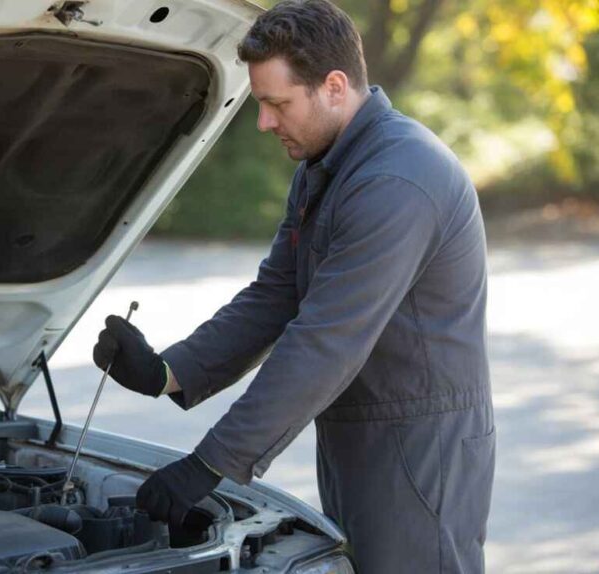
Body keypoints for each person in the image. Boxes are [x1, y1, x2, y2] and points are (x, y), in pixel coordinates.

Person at [92, 1, 494, 572]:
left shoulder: (399, 179)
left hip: (422, 451)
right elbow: (276, 295)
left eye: (277, 104)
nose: (264, 122)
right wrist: (167, 372)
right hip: (362, 437)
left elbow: (326, 339)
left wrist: (210, 464)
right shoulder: (326, 167)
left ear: (333, 86)